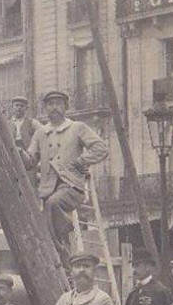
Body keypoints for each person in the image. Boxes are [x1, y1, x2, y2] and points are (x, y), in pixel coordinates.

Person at [22, 90, 109, 267]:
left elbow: (101, 148)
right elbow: (30, 160)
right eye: (50, 104)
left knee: (53, 204)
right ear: (45, 108)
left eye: (58, 103)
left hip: (71, 188)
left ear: (66, 107)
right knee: (46, 220)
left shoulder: (77, 128)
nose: (54, 107)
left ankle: (63, 258)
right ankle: (62, 260)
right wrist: (18, 154)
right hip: (48, 191)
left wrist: (80, 164)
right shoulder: (40, 134)